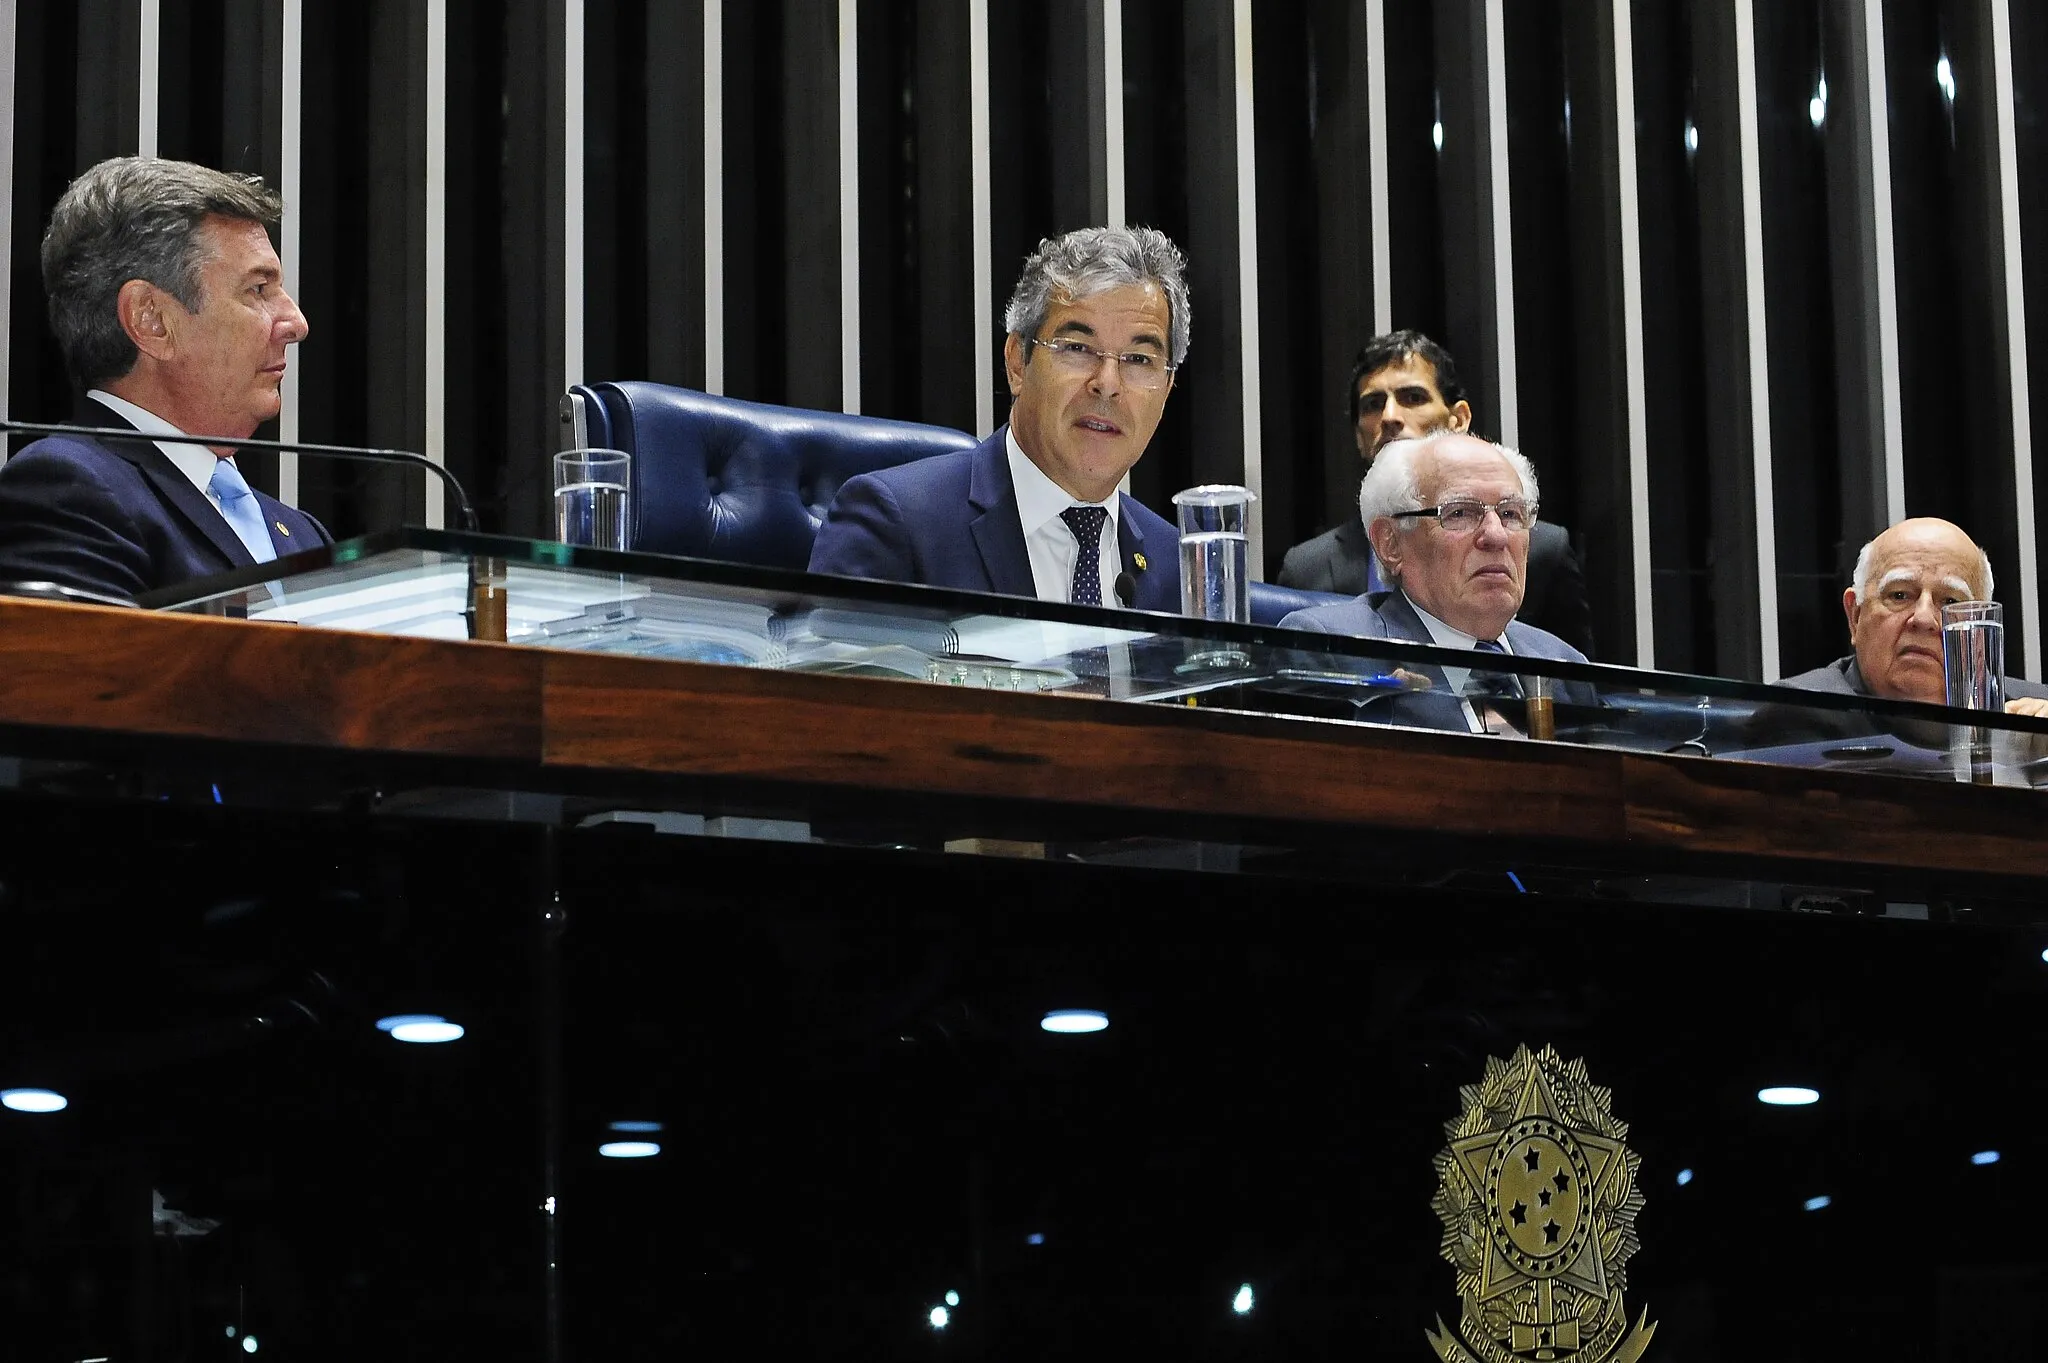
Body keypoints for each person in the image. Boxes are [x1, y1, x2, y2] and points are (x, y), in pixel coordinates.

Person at [810, 225, 1184, 611]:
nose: (1108, 384)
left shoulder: (1178, 568)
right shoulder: (895, 526)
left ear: (1168, 386)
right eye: (1078, 348)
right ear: (1016, 363)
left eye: (1139, 360)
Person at [0, 157, 325, 602]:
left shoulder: (301, 534)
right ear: (151, 319)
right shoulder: (69, 489)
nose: (296, 322)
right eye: (258, 289)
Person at [1277, 330, 1595, 656]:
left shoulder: (1542, 550)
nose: (1389, 417)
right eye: (1373, 404)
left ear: (1459, 419)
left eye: (1413, 398)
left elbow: (1572, 689)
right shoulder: (1308, 568)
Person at [1278, 432, 1595, 733]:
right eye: (1459, 513)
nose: (1497, 535)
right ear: (1391, 544)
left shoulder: (1563, 665)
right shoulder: (1330, 650)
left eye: (1511, 514)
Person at [1778, 517, 2048, 715]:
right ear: (1855, 616)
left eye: (1951, 602)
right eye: (1899, 596)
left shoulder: (2034, 713)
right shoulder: (1794, 715)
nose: (1923, 619)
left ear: (1981, 629)